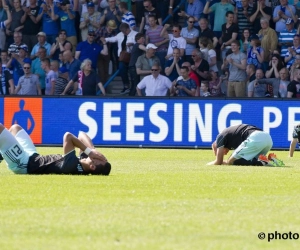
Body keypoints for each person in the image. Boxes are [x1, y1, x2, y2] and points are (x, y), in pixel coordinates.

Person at [0, 123, 111, 175]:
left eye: (100, 159)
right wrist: (92, 150)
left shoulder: (72, 165)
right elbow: (82, 134)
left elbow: (68, 136)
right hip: (33, 156)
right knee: (15, 128)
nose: (99, 155)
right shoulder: (85, 160)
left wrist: (90, 152)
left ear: (92, 166)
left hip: (24, 164)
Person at [207, 124, 284, 166]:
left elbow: (218, 162)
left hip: (256, 137)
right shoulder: (230, 137)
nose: (224, 154)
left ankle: (264, 162)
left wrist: (208, 164)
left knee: (231, 161)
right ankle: (272, 160)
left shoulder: (220, 137)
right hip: (267, 138)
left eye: (221, 152)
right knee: (246, 159)